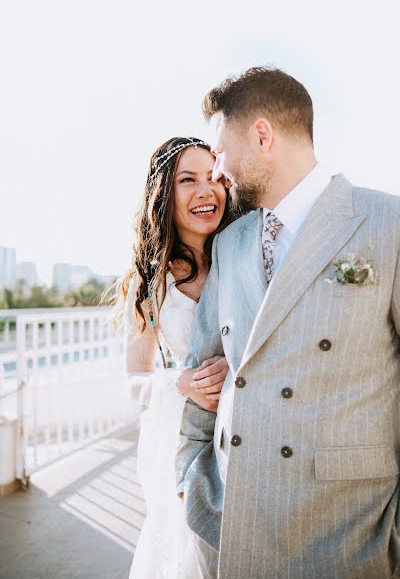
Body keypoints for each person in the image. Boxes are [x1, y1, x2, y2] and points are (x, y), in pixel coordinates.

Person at [176, 67, 400, 578]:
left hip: (347, 534)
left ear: (262, 135)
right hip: (231, 523)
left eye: (220, 153)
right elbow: (203, 367)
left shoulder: (388, 223)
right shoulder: (230, 245)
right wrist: (189, 475)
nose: (217, 173)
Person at [120, 136, 235, 578]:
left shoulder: (245, 255)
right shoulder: (150, 282)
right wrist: (179, 383)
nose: (206, 190)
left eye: (214, 177)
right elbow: (133, 377)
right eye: (188, 180)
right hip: (179, 433)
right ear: (164, 194)